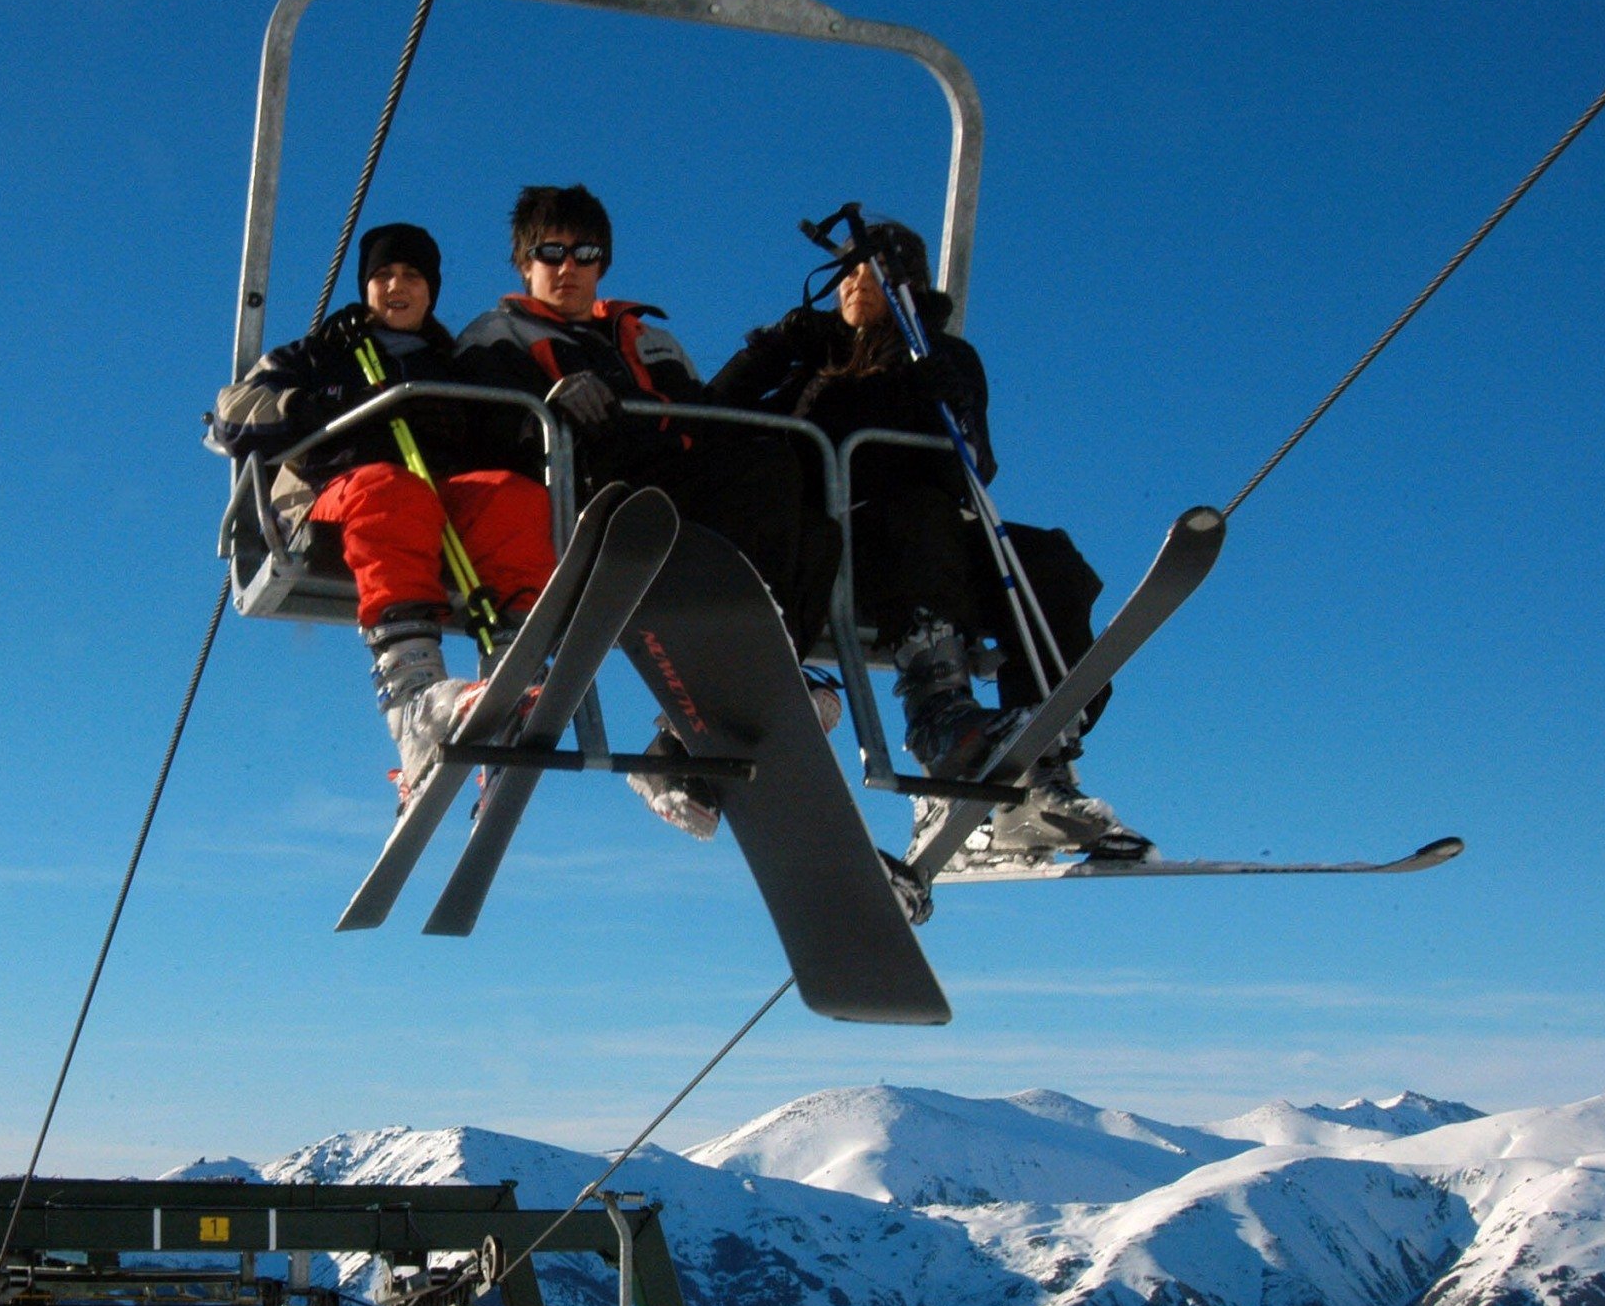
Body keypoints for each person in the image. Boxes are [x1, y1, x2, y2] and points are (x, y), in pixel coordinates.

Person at [707, 213, 1146, 866]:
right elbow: (716, 419)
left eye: (875, 273)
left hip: (928, 544)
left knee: (1051, 564)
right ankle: (942, 715)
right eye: (846, 271)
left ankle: (1038, 764)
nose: (856, 284)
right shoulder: (809, 357)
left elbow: (972, 466)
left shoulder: (941, 356)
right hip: (832, 544)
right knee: (920, 515)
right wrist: (770, 347)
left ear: (907, 286)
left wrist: (944, 400)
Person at [450, 184, 840, 838]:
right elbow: (477, 421)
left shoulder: (650, 340)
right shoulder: (496, 336)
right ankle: (723, 700)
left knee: (809, 518)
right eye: (552, 253)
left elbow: (706, 418)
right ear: (525, 262)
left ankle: (710, 723)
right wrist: (550, 401)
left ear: (604, 262)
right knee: (747, 474)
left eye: (585, 252)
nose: (568, 266)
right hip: (591, 496)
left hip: (674, 491)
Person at [213, 222, 557, 805]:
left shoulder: (456, 361)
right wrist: (323, 403)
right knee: (391, 490)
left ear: (432, 289)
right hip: (337, 497)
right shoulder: (322, 350)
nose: (396, 286)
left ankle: (513, 673)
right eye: (382, 276)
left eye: (411, 276)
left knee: (512, 497)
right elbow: (233, 414)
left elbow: (502, 435)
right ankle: (414, 697)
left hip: (436, 497)